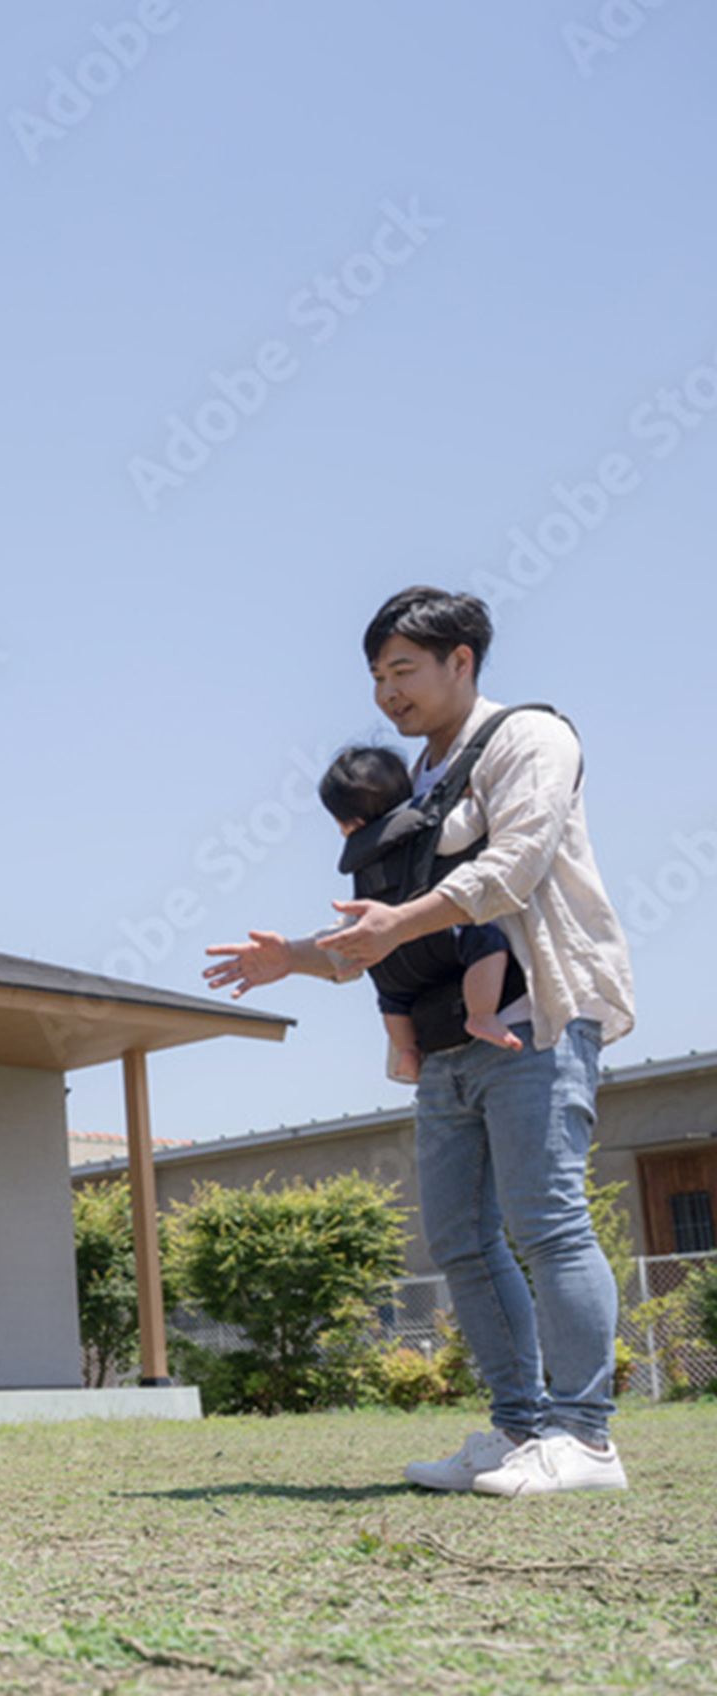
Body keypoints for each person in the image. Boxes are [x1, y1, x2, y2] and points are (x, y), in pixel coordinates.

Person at [207, 587, 634, 1496]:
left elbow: (512, 867)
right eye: (375, 675)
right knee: (460, 1240)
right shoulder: (416, 782)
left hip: (534, 1021)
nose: (387, 692)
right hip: (445, 1044)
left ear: (462, 662)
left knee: (547, 1222)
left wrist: (394, 925)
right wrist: (294, 954)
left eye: (402, 669)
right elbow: (387, 937)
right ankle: (520, 1432)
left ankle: (587, 1439)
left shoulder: (530, 738)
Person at [316, 743, 522, 1083]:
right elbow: (473, 822)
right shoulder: (429, 818)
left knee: (391, 998)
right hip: (436, 936)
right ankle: (481, 1015)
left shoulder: (357, 851)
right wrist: (471, 793)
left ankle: (408, 1051)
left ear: (348, 821)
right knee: (488, 942)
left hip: (390, 960)